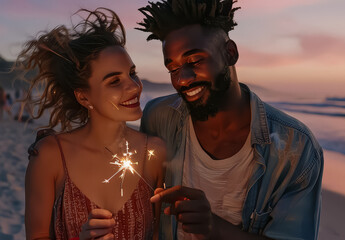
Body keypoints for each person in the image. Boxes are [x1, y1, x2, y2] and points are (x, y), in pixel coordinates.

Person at [137, 0, 324, 239]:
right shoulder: (157, 118)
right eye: (172, 69)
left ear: (230, 53)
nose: (182, 79)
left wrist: (214, 227)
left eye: (194, 61)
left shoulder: (296, 148)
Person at [20, 8, 166, 240]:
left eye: (132, 73)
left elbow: (161, 234)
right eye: (115, 81)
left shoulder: (155, 153)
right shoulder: (50, 156)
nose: (134, 86)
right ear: (84, 97)